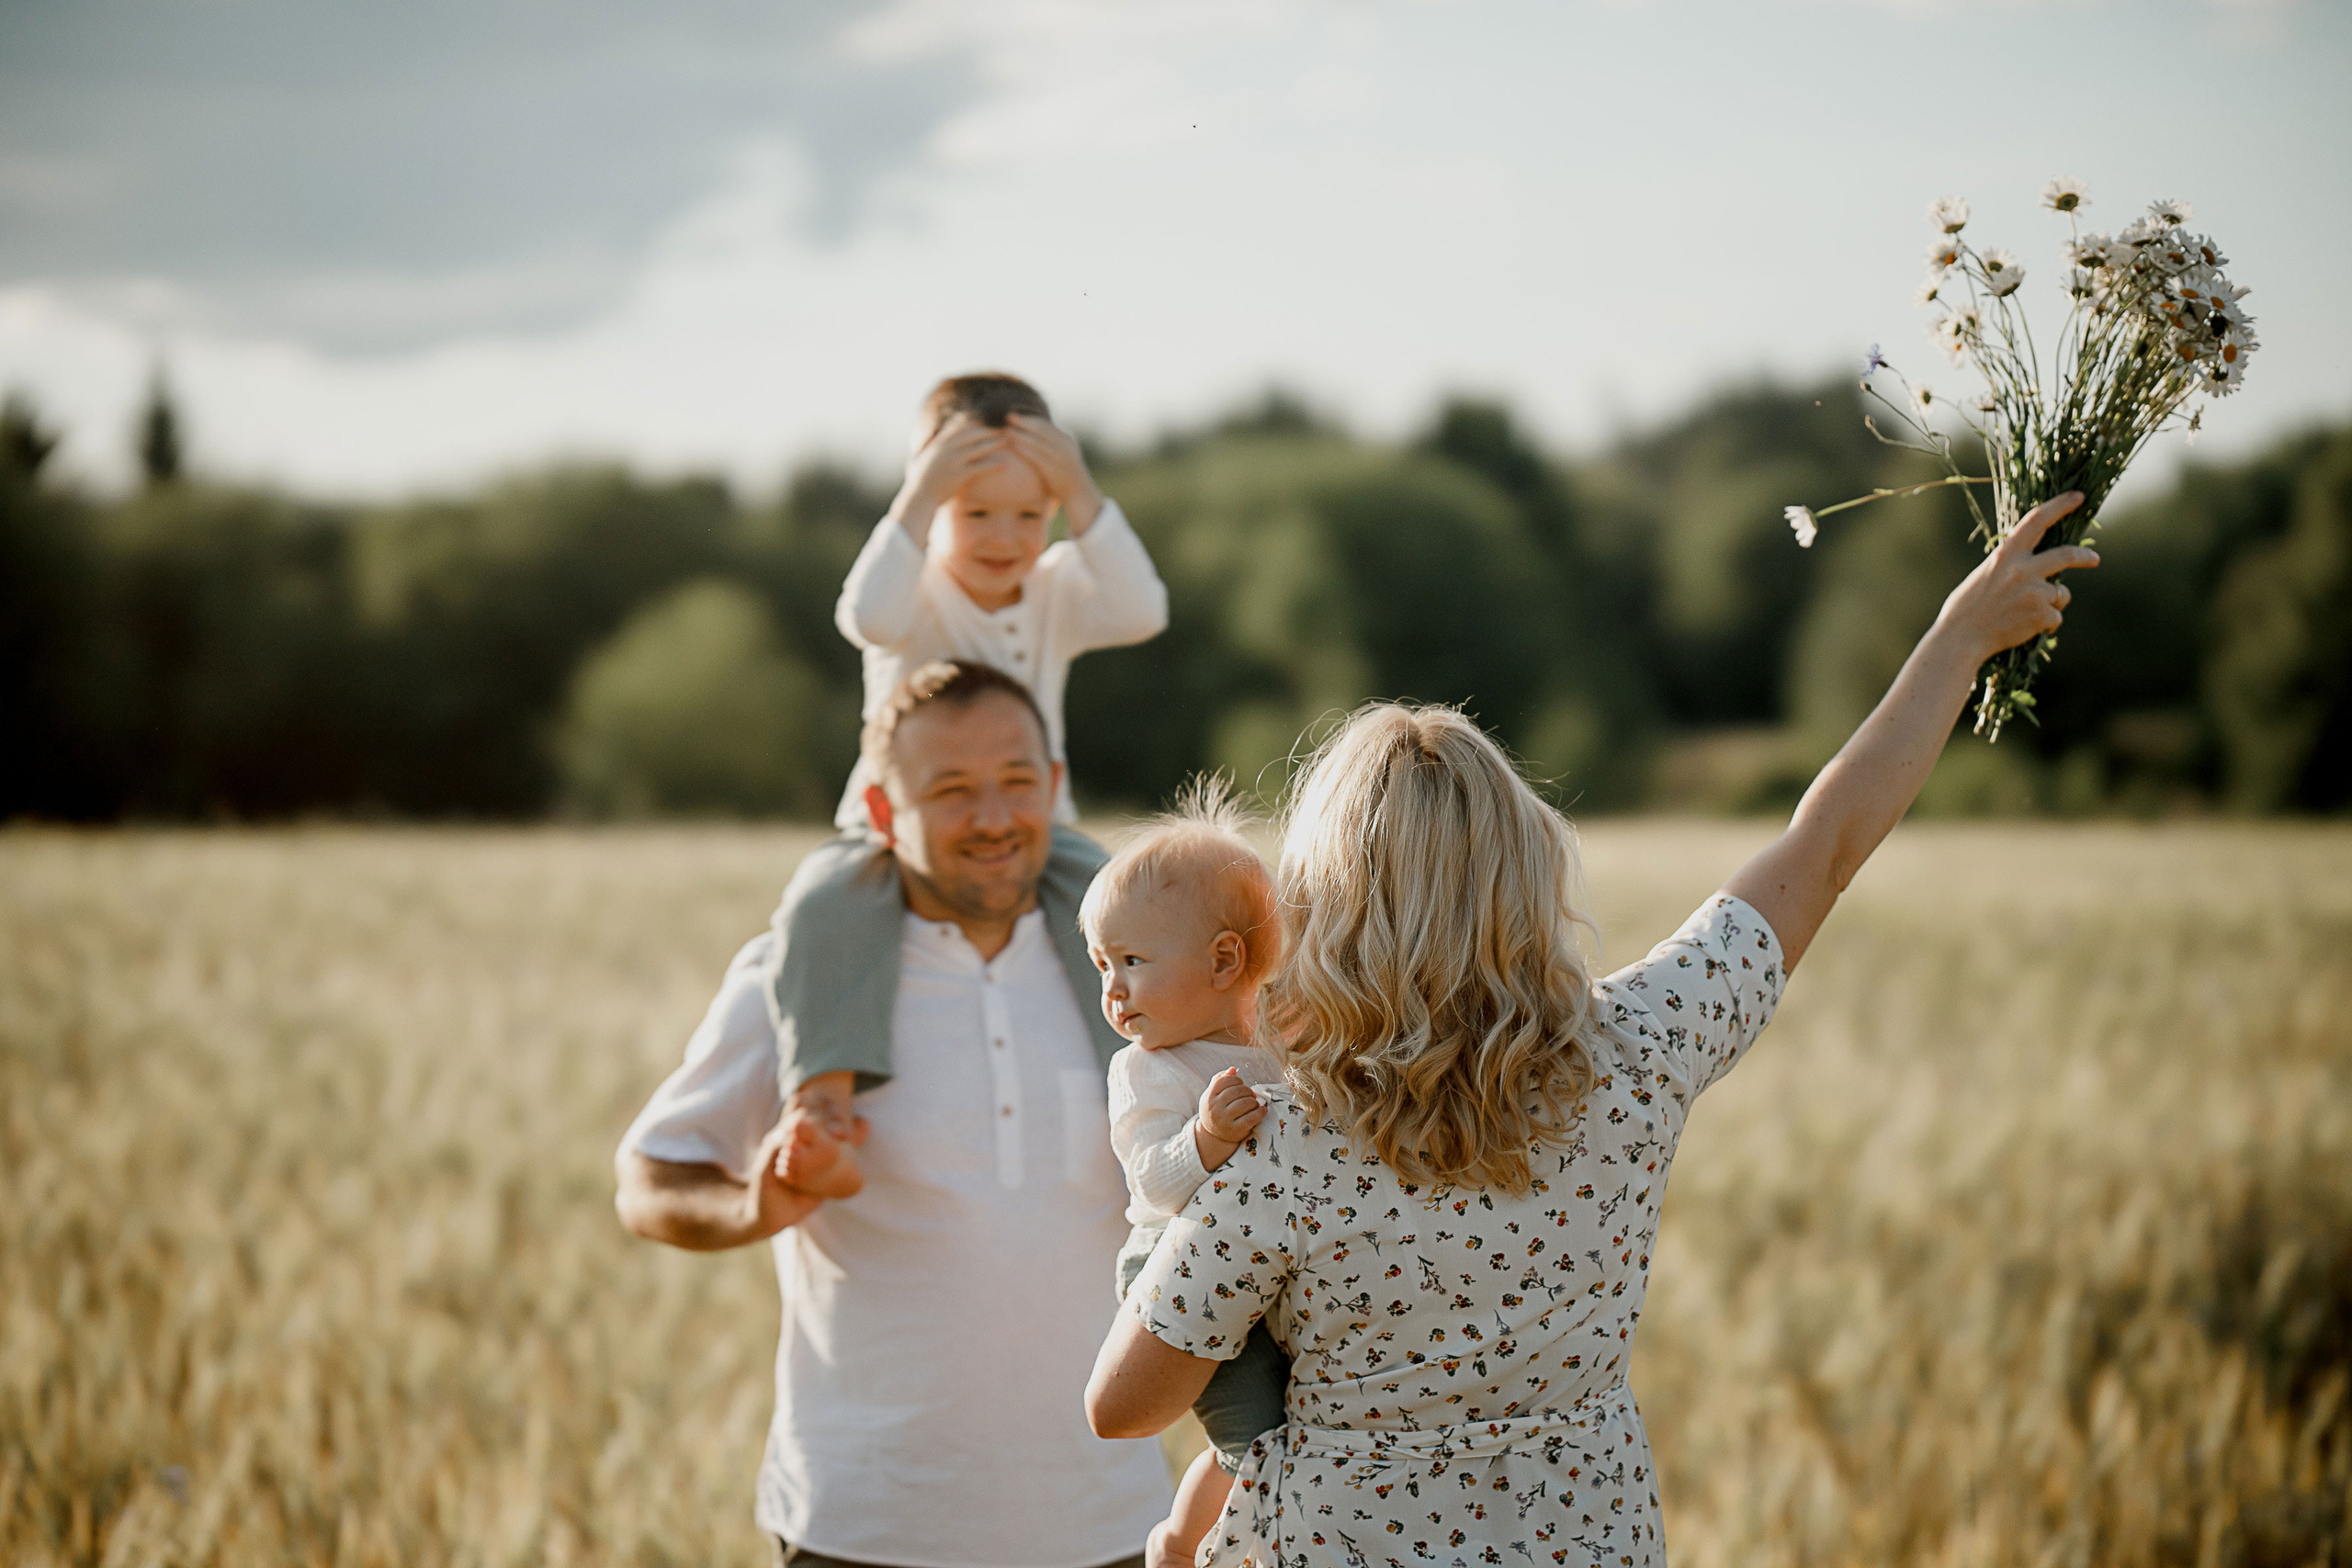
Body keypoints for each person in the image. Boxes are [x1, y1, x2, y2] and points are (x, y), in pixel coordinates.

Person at [1085, 496, 2098, 1568]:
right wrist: (1958, 639)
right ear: (1529, 868)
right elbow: (1829, 840)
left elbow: (1122, 1407)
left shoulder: (1279, 1151)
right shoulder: (1640, 1049)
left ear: (1327, 912)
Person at [616, 660, 1170, 1568]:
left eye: (1017, 783)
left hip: (1111, 1526)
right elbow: (647, 1181)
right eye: (950, 791)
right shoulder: (799, 978)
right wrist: (759, 1205)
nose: (993, 818)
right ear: (880, 814)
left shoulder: (1143, 978)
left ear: (1056, 788)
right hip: (861, 1529)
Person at [763, 373, 1170, 1196]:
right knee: (825, 903)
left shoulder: (1056, 589)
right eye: (974, 510)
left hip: (1039, 829)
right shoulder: (913, 592)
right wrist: (919, 492)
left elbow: (1143, 610)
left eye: (1029, 513)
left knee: (1128, 912)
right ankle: (826, 1111)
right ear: (933, 504)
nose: (1003, 536)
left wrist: (1083, 487)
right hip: (894, 832)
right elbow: (865, 617)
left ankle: (1147, 1116)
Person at [1080, 781, 1289, 1568]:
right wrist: (1202, 1137)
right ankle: (1180, 1542)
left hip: (1256, 1264)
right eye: (1103, 964)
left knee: (1295, 1421)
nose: (1113, 988)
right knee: (1255, 1437)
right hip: (1172, 1267)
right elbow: (1153, 1184)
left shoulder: (1267, 1044)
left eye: (1132, 960)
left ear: (1225, 958)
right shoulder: (1146, 1071)